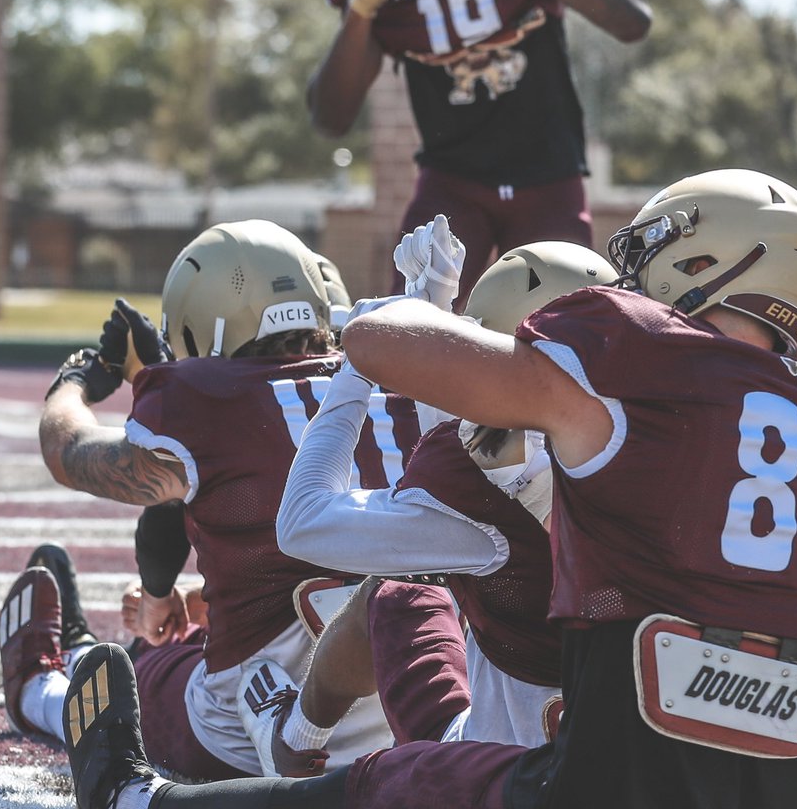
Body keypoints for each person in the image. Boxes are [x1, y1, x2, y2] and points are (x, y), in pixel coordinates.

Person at [61, 170, 797, 809]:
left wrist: (410, 308)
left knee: (384, 790)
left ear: (702, 265)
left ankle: (127, 803)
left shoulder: (630, 366)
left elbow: (383, 346)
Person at [0, 220, 421, 781]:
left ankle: (37, 689)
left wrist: (75, 380)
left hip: (253, 735)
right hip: (414, 719)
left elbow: (67, 451)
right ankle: (86, 650)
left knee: (135, 683)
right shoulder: (403, 388)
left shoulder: (204, 401)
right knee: (195, 638)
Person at [239, 222, 617, 769]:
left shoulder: (481, 495)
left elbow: (301, 522)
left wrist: (359, 367)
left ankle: (293, 741)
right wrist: (432, 311)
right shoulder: (674, 438)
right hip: (641, 757)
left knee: (394, 595)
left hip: (507, 770)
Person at [309, 0, 652, 302]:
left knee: (563, 324)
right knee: (409, 325)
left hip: (547, 174)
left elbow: (633, 20)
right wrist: (360, 12)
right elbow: (331, 117)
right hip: (452, 182)